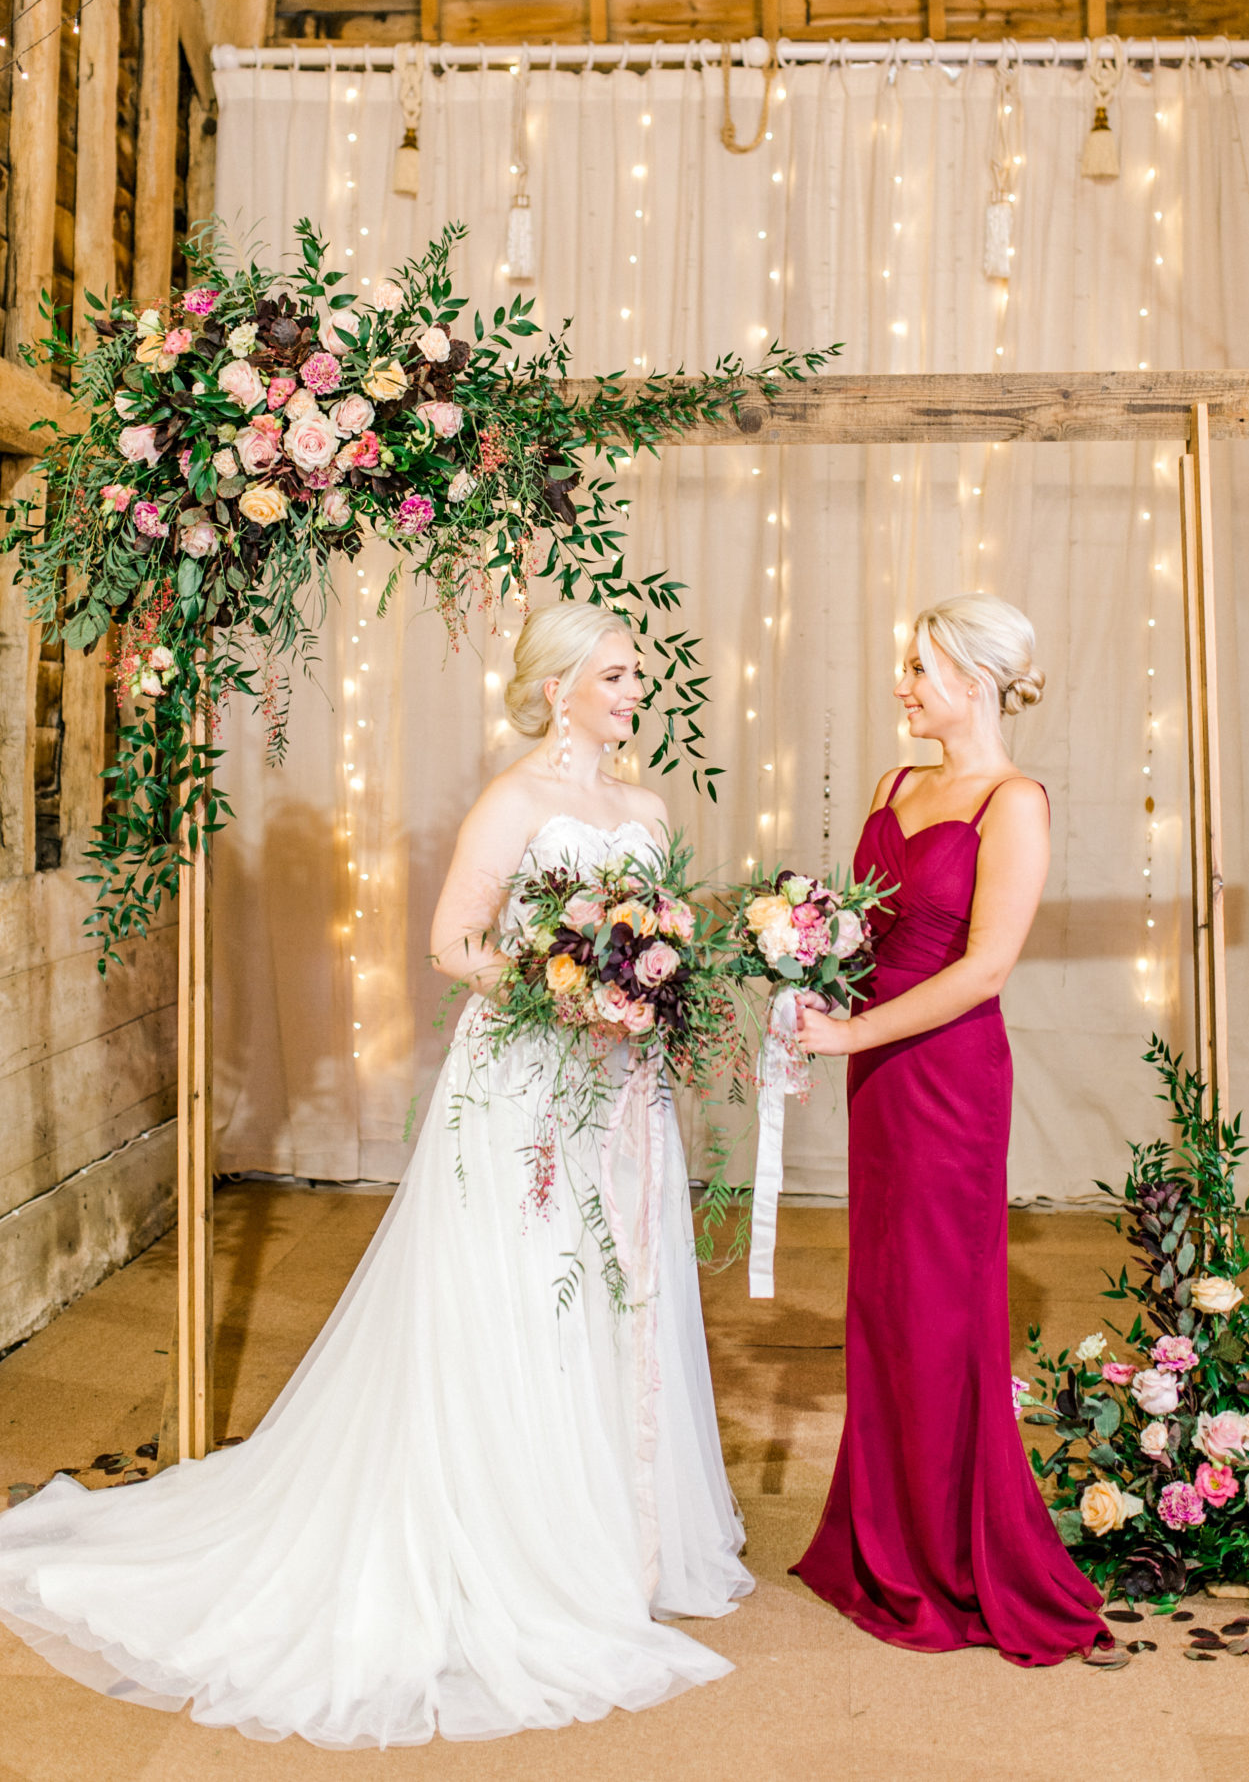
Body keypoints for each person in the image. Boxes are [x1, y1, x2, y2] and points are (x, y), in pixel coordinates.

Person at [0, 603, 751, 1747]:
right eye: (614, 675)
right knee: (523, 1290)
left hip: (620, 1097)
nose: (633, 690)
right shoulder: (516, 802)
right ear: (558, 689)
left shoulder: (645, 808)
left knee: (615, 1293)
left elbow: (662, 932)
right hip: (529, 1085)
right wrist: (568, 988)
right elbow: (456, 943)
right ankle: (512, 1540)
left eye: (636, 674)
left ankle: (611, 1533)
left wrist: (648, 982)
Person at [790, 593, 1111, 1667]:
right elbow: (853, 923)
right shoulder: (892, 784)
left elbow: (984, 969)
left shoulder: (1014, 801)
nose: (902, 689)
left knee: (938, 1305)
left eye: (919, 671)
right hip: (875, 1065)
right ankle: (878, 1540)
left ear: (970, 680)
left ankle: (948, 1553)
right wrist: (803, 972)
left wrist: (856, 1032)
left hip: (946, 1077)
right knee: (879, 1297)